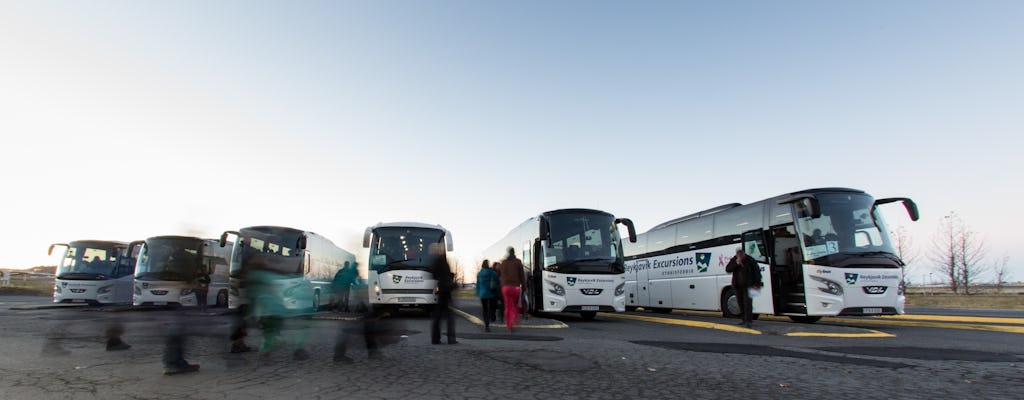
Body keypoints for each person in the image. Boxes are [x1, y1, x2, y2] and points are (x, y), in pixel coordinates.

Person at [725, 248, 763, 328]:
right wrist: (736, 264)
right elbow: (728, 269)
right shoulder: (735, 260)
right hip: (738, 286)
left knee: (747, 304)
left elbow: (757, 272)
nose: (740, 257)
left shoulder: (750, 260)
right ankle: (743, 319)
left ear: (744, 254)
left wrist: (757, 283)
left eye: (741, 256)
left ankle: (749, 321)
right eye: (738, 256)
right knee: (740, 303)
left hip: (748, 286)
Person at [429, 243, 457, 344]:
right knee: (449, 316)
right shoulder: (442, 259)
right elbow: (446, 274)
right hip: (446, 290)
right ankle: (451, 338)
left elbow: (434, 275)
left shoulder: (434, 260)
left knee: (438, 316)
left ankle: (435, 338)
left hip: (441, 289)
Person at [495, 247, 526, 332]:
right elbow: (522, 276)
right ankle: (514, 319)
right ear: (514, 252)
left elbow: (498, 272)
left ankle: (509, 324)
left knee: (508, 305)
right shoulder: (518, 262)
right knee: (514, 305)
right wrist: (524, 287)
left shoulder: (503, 262)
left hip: (505, 288)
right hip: (515, 287)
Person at [475, 260, 499, 332]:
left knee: (485, 309)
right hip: (491, 293)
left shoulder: (479, 273)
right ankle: (492, 317)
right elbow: (497, 281)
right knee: (492, 307)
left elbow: (478, 284)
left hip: (482, 294)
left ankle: (486, 325)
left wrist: (478, 293)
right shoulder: (492, 273)